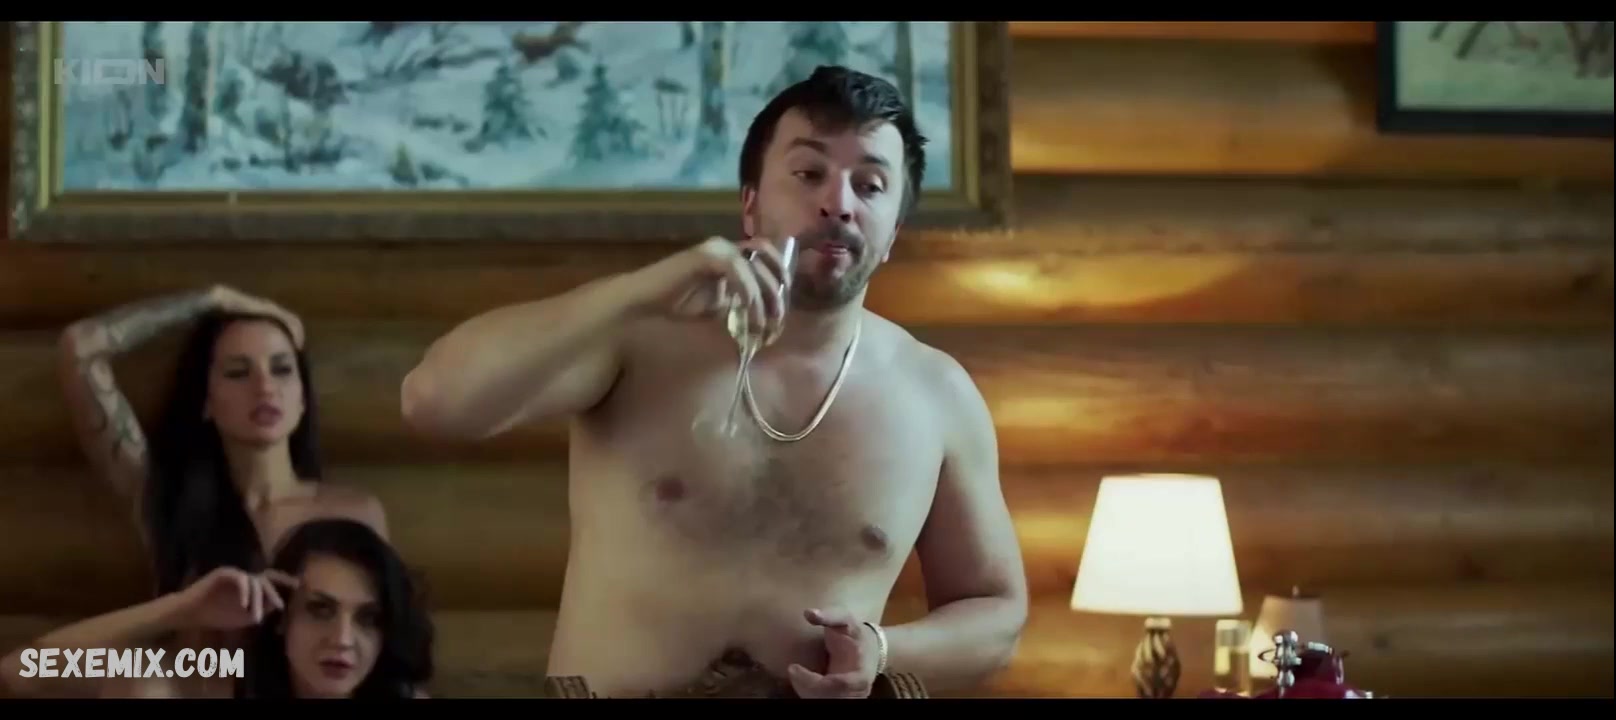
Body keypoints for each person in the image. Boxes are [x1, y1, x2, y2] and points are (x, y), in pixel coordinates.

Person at [399, 65, 1028, 698]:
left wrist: (885, 650)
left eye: (869, 185)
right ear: (750, 204)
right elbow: (433, 401)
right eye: (809, 174)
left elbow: (997, 612)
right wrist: (638, 291)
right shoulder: (637, 338)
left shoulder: (934, 395)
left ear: (892, 232)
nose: (838, 203)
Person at [57, 284, 388, 599]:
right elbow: (79, 346)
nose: (265, 387)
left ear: (303, 398)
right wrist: (212, 299)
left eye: (282, 369)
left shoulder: (355, 514)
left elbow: (384, 628)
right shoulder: (165, 500)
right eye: (238, 372)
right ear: (206, 401)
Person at [0, 519, 433, 699]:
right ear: (281, 618)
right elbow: (26, 669)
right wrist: (181, 609)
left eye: (368, 619)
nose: (342, 639)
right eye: (320, 609)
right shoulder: (226, 671)